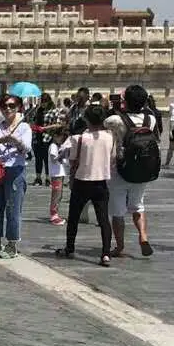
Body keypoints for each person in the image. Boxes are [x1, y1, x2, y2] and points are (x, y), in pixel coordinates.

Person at [103, 84, 159, 257]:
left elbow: (104, 123)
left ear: (124, 101)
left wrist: (108, 105)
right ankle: (143, 236)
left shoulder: (116, 120)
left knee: (118, 211)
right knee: (138, 205)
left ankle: (119, 246)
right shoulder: (151, 119)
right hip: (142, 169)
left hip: (120, 169)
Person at [56, 104, 114, 266]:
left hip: (82, 182)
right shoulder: (110, 137)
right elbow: (113, 157)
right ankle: (105, 253)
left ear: (86, 119)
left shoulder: (78, 138)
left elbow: (73, 161)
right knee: (103, 220)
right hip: (101, 182)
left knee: (74, 217)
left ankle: (70, 247)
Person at [0, 96, 32, 259]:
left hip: (15, 170)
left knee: (13, 207)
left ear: (18, 107)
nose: (8, 109)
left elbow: (27, 148)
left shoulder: (24, 127)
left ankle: (11, 243)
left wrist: (15, 140)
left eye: (12, 105)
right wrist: (3, 139)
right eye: (4, 106)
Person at [30, 92, 57, 186]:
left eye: (45, 101)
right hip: (37, 137)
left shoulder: (53, 111)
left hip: (48, 138)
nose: (43, 103)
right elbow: (33, 121)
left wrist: (45, 128)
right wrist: (33, 127)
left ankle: (48, 178)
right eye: (42, 101)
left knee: (47, 159)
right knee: (38, 158)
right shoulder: (38, 110)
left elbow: (58, 124)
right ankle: (38, 178)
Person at [47, 128, 69, 224]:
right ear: (55, 136)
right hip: (56, 174)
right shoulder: (53, 146)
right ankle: (53, 214)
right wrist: (62, 154)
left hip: (60, 173)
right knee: (56, 194)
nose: (62, 139)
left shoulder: (58, 146)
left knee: (59, 194)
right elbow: (53, 159)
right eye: (60, 136)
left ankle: (56, 212)